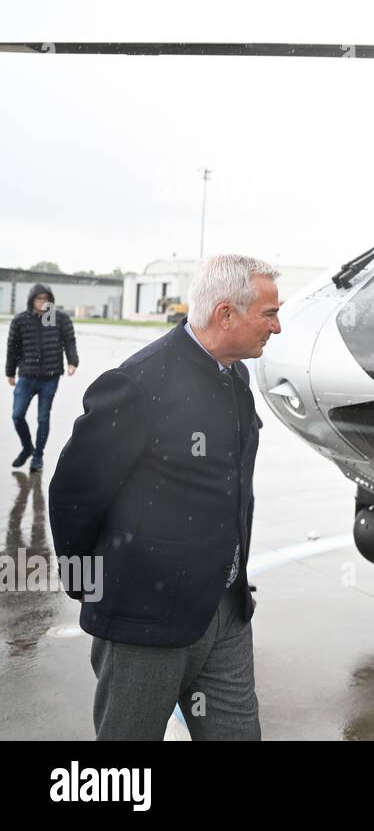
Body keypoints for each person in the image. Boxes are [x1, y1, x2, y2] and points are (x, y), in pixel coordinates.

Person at [49, 255, 281, 741]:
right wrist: (88, 583)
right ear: (225, 315)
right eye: (268, 314)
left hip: (226, 610)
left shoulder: (234, 374)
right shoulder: (140, 383)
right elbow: (74, 492)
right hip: (144, 620)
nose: (276, 327)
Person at [6, 283, 79, 472]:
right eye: (39, 299)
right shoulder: (20, 320)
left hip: (50, 376)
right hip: (27, 375)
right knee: (17, 415)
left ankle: (37, 456)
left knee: (43, 418)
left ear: (51, 301)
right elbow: (13, 347)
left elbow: (69, 340)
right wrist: (10, 371)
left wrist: (73, 361)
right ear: (32, 300)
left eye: (46, 299)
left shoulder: (59, 319)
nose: (42, 302)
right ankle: (27, 447)